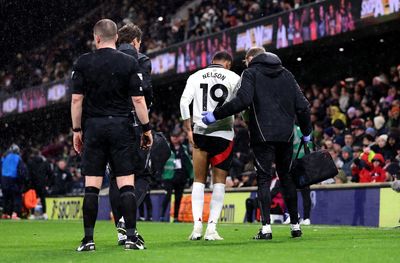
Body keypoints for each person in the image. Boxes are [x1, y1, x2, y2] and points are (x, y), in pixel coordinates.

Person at [202, 47, 312, 239]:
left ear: (251, 58)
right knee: (286, 178)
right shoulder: (287, 74)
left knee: (263, 178)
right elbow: (303, 106)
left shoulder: (250, 73)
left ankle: (266, 229)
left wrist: (215, 115)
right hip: (286, 135)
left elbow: (242, 101)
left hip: (261, 135)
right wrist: (306, 132)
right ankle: (295, 226)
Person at [71, 19, 152, 251]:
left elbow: (77, 100)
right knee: (126, 184)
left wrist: (77, 130)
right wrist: (146, 129)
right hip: (121, 126)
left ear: (96, 37)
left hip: (94, 128)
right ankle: (131, 238)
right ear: (116, 37)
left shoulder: (83, 62)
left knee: (92, 187)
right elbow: (138, 99)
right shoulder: (129, 61)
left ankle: (88, 240)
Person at [180, 51, 240, 240]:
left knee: (198, 180)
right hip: (224, 133)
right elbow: (242, 103)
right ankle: (211, 229)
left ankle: (197, 227)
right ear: (228, 64)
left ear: (212, 61)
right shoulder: (234, 77)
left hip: (201, 132)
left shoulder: (195, 76)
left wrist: (188, 128)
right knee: (219, 182)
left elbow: (184, 102)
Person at [107, 23, 157, 246]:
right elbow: (144, 93)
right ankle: (127, 221)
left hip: (108, 123)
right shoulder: (141, 59)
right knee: (142, 175)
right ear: (136, 40)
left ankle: (121, 229)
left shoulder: (108, 58)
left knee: (116, 178)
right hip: (133, 122)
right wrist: (146, 124)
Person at [160, 130, 193, 222]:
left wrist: (191, 176)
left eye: (176, 136)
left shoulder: (184, 148)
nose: (174, 138)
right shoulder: (167, 148)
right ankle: (162, 216)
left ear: (179, 137)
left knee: (178, 198)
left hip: (181, 177)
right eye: (173, 136)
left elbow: (188, 163)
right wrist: (160, 176)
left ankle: (175, 218)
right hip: (168, 177)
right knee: (168, 196)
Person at [27, 149, 52, 219]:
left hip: (33, 184)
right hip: (42, 183)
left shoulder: (31, 163)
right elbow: (50, 174)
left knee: (33, 199)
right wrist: (48, 184)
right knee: (43, 198)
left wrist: (29, 183)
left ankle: (32, 214)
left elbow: (28, 174)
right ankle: (44, 213)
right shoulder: (45, 163)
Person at [1, 144, 25, 220]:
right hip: (13, 179)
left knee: (6, 197)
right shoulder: (18, 158)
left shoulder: (4, 157)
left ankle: (5, 213)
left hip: (4, 179)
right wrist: (21, 182)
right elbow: (21, 171)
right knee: (17, 196)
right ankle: (15, 213)